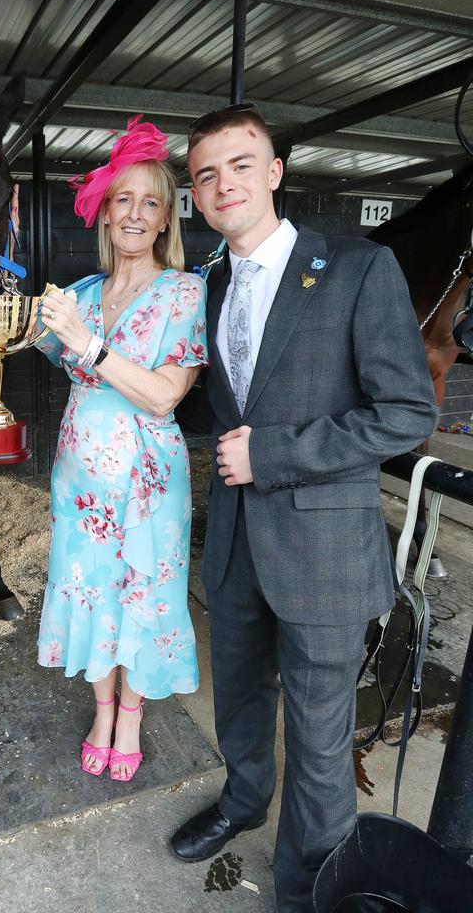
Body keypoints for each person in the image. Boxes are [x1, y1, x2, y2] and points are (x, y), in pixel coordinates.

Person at [168, 106, 438, 911]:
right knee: (242, 700)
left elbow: (406, 413)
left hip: (320, 553)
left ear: (276, 172)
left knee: (320, 744)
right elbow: (208, 402)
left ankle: (311, 888)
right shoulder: (209, 283)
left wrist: (273, 454)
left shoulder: (356, 267)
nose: (224, 184)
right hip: (236, 546)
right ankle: (243, 801)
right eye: (207, 174)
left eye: (240, 165)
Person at [35, 117, 208, 782]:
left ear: (165, 219)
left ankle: (131, 718)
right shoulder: (81, 295)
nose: (134, 213)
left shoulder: (185, 294)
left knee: (143, 596)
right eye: (122, 200)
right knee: (92, 593)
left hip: (148, 485)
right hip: (78, 485)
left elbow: (165, 395)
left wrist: (89, 344)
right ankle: (102, 709)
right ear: (105, 214)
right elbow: (24, 338)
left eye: (150, 202)